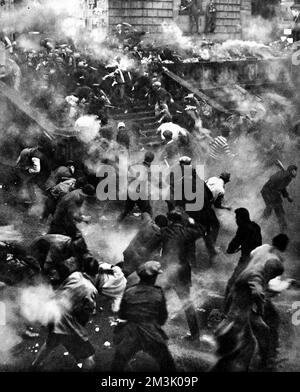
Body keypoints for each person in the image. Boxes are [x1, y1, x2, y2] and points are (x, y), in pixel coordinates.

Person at [213, 234, 290, 372]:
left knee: (255, 331)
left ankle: (261, 361)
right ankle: (256, 362)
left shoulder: (264, 248)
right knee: (243, 332)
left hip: (241, 283)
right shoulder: (275, 264)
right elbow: (257, 284)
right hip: (247, 291)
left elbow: (252, 255)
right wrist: (259, 307)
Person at [32, 257, 99, 371]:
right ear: (96, 273)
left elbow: (62, 288)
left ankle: (34, 365)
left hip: (53, 312)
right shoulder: (91, 290)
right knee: (89, 357)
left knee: (51, 343)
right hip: (66, 323)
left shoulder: (76, 275)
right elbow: (87, 311)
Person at [111, 261, 176, 372]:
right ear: (153, 277)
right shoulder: (158, 293)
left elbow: (122, 315)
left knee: (118, 362)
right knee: (167, 364)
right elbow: (162, 318)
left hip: (131, 332)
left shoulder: (129, 292)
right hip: (151, 332)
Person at [161, 210, 204, 341]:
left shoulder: (166, 231)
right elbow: (201, 231)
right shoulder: (187, 232)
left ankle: (149, 329)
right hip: (182, 272)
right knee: (187, 303)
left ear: (170, 220)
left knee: (157, 296)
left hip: (169, 271)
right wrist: (192, 223)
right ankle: (195, 335)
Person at [224, 208, 262, 306]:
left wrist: (230, 250)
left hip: (246, 261)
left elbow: (234, 243)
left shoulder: (243, 228)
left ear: (242, 218)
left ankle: (225, 310)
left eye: (237, 218)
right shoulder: (256, 227)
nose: (236, 220)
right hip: (257, 262)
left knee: (231, 284)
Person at [121, 213, 168, 277]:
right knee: (126, 274)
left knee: (124, 272)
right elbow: (152, 250)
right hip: (137, 257)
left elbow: (145, 214)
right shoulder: (157, 234)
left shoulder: (147, 223)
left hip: (129, 251)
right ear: (162, 226)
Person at [118, 152, 155, 222]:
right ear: (152, 160)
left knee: (126, 210)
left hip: (131, 191)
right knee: (148, 211)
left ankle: (116, 224)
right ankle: (150, 228)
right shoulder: (147, 169)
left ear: (144, 157)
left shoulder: (137, 165)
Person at [261, 165, 297, 232]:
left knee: (279, 211)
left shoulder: (288, 178)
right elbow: (272, 181)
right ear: (291, 171)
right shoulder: (282, 175)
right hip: (267, 192)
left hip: (274, 194)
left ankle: (283, 229)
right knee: (270, 207)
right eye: (294, 170)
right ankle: (260, 223)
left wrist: (287, 196)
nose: (295, 172)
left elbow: (282, 187)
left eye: (296, 171)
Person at [204, 172, 231, 262]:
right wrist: (226, 207)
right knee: (216, 225)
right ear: (227, 181)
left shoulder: (212, 178)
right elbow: (217, 206)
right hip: (204, 207)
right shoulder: (221, 191)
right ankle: (212, 247)